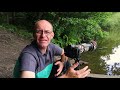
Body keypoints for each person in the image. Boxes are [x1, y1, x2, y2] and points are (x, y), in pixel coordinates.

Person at [13, 19, 91, 78]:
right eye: (39, 32)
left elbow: (64, 53)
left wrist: (62, 63)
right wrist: (66, 76)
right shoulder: (29, 56)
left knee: (66, 63)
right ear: (34, 35)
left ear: (52, 35)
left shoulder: (51, 47)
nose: (43, 36)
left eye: (47, 32)